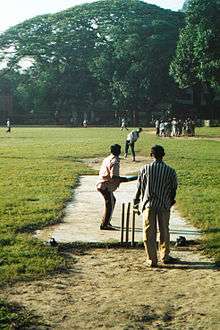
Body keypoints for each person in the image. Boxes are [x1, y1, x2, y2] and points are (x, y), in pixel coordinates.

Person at [133, 145, 178, 267]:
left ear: (151, 155)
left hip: (148, 204)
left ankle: (151, 259)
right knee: (164, 230)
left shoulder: (145, 169)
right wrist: (171, 200)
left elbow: (139, 188)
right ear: (163, 155)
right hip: (164, 204)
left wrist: (136, 201)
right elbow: (173, 188)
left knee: (149, 232)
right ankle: (165, 256)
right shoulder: (170, 170)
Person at [97, 144, 129, 230]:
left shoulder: (107, 158)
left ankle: (106, 221)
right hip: (106, 186)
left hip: (102, 184)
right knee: (110, 204)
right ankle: (105, 224)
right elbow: (113, 177)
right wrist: (124, 179)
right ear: (118, 151)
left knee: (112, 201)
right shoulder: (115, 161)